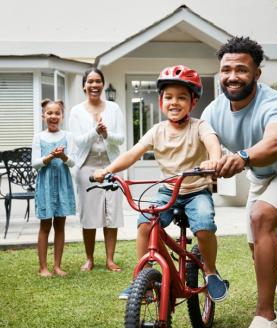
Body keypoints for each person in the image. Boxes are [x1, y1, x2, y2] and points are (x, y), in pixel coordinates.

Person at [201, 36, 277, 328]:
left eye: (241, 69)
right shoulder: (215, 109)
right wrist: (214, 160)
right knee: (258, 250)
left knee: (260, 218)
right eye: (226, 69)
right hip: (261, 177)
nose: (232, 76)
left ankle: (266, 315)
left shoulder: (275, 102)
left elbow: (276, 144)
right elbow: (207, 135)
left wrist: (242, 157)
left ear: (256, 74)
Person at [94, 65, 229, 303]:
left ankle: (210, 271)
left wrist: (214, 160)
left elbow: (211, 141)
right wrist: (107, 170)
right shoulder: (157, 131)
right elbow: (133, 153)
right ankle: (142, 280)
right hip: (168, 190)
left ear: (193, 102)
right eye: (168, 97)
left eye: (181, 97)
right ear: (161, 102)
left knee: (204, 224)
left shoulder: (199, 126)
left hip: (196, 191)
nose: (174, 102)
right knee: (145, 223)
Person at [69, 68, 125, 272]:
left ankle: (110, 259)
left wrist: (107, 134)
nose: (94, 85)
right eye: (90, 81)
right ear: (84, 85)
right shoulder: (76, 111)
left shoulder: (114, 108)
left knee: (111, 212)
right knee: (89, 214)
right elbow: (77, 141)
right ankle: (89, 258)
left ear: (102, 84)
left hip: (111, 166)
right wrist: (95, 132)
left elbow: (121, 139)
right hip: (87, 167)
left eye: (98, 81)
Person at [32, 99, 76, 277]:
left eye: (57, 113)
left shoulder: (68, 136)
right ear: (44, 116)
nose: (53, 116)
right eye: (49, 113)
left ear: (62, 116)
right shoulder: (38, 137)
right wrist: (49, 157)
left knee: (60, 225)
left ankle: (57, 266)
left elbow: (73, 162)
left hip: (62, 185)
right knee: (45, 225)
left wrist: (63, 156)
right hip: (45, 185)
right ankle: (43, 267)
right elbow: (35, 164)